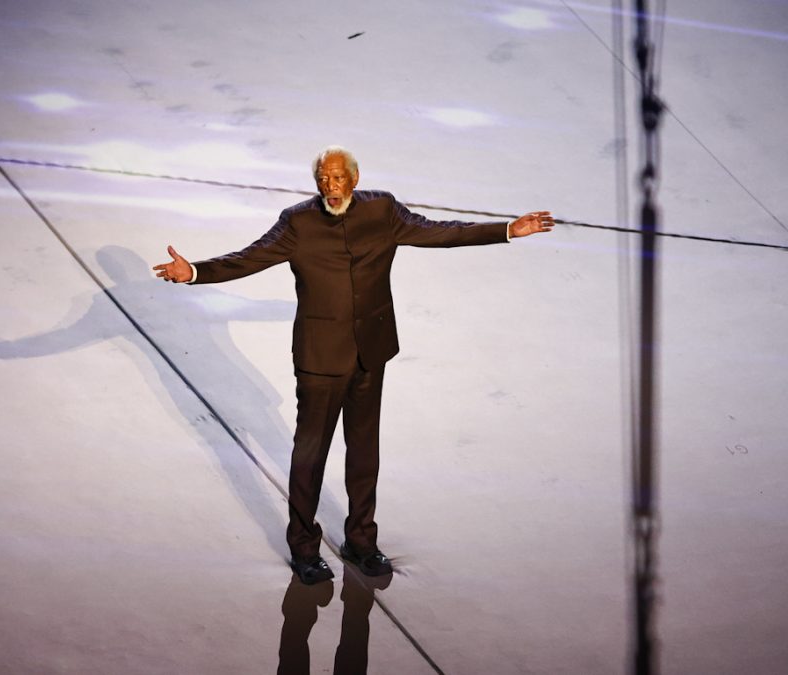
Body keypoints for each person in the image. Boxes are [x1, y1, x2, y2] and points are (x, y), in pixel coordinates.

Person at [153, 146, 554, 584]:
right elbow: (249, 258)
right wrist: (194, 271)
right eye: (323, 179)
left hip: (371, 352)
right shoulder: (298, 222)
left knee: (365, 453)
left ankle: (361, 541)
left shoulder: (382, 210)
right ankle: (304, 549)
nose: (330, 186)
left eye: (338, 178)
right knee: (310, 456)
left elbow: (440, 232)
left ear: (355, 180)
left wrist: (508, 230)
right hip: (320, 360)